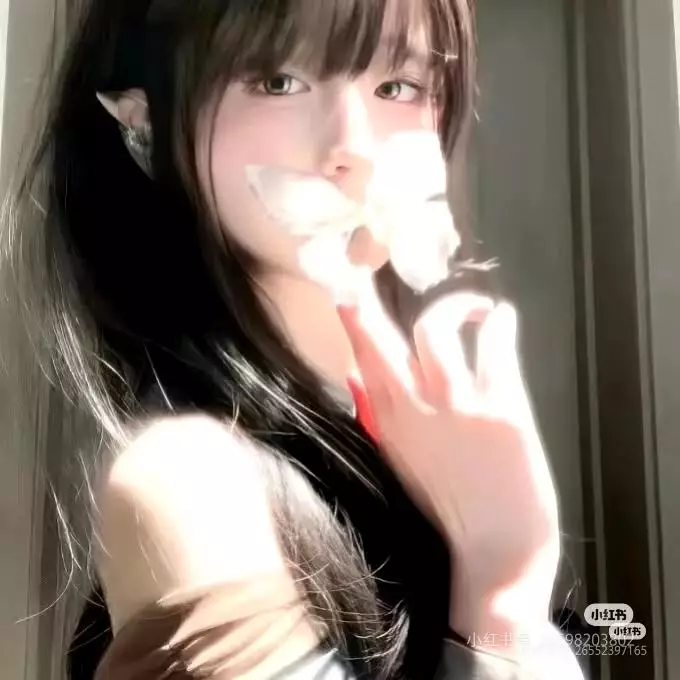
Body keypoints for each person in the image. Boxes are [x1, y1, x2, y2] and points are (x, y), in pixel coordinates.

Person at [3, 0, 585, 678]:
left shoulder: (428, 442)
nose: (352, 148)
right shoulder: (191, 485)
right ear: (145, 123)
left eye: (398, 85)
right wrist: (501, 606)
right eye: (277, 81)